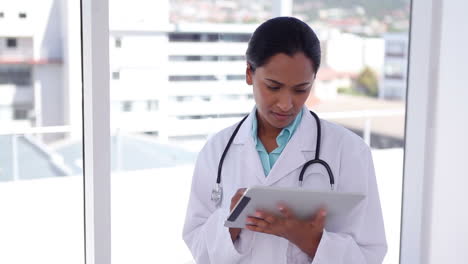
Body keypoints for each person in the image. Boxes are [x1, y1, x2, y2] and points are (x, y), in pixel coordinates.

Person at [182, 16, 387, 263]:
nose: (286, 104)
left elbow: (370, 255)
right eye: (273, 86)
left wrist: (312, 242)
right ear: (249, 73)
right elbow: (198, 249)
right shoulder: (217, 150)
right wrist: (231, 221)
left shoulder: (350, 151)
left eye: (301, 89)